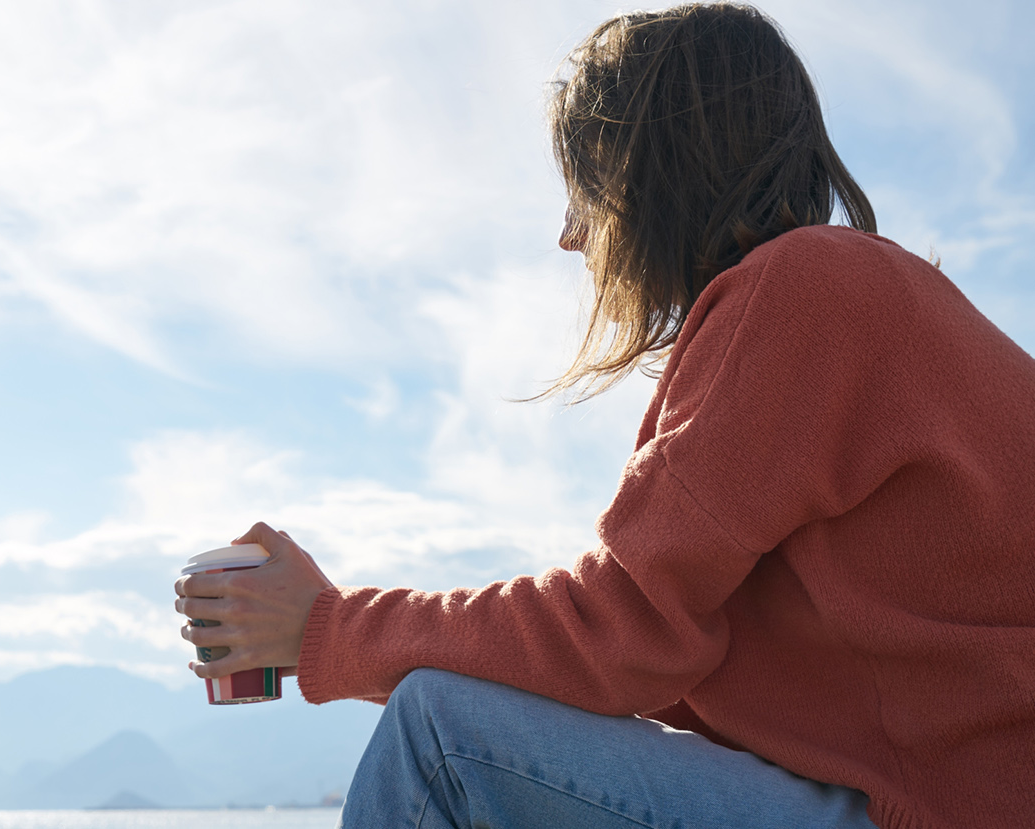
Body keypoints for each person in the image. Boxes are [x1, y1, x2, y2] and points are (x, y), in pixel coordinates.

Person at [172, 4, 1035, 828]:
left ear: (651, 173)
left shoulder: (803, 291)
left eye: (588, 187)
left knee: (439, 735)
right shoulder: (878, 301)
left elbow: (624, 629)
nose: (573, 235)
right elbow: (661, 658)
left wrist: (326, 628)